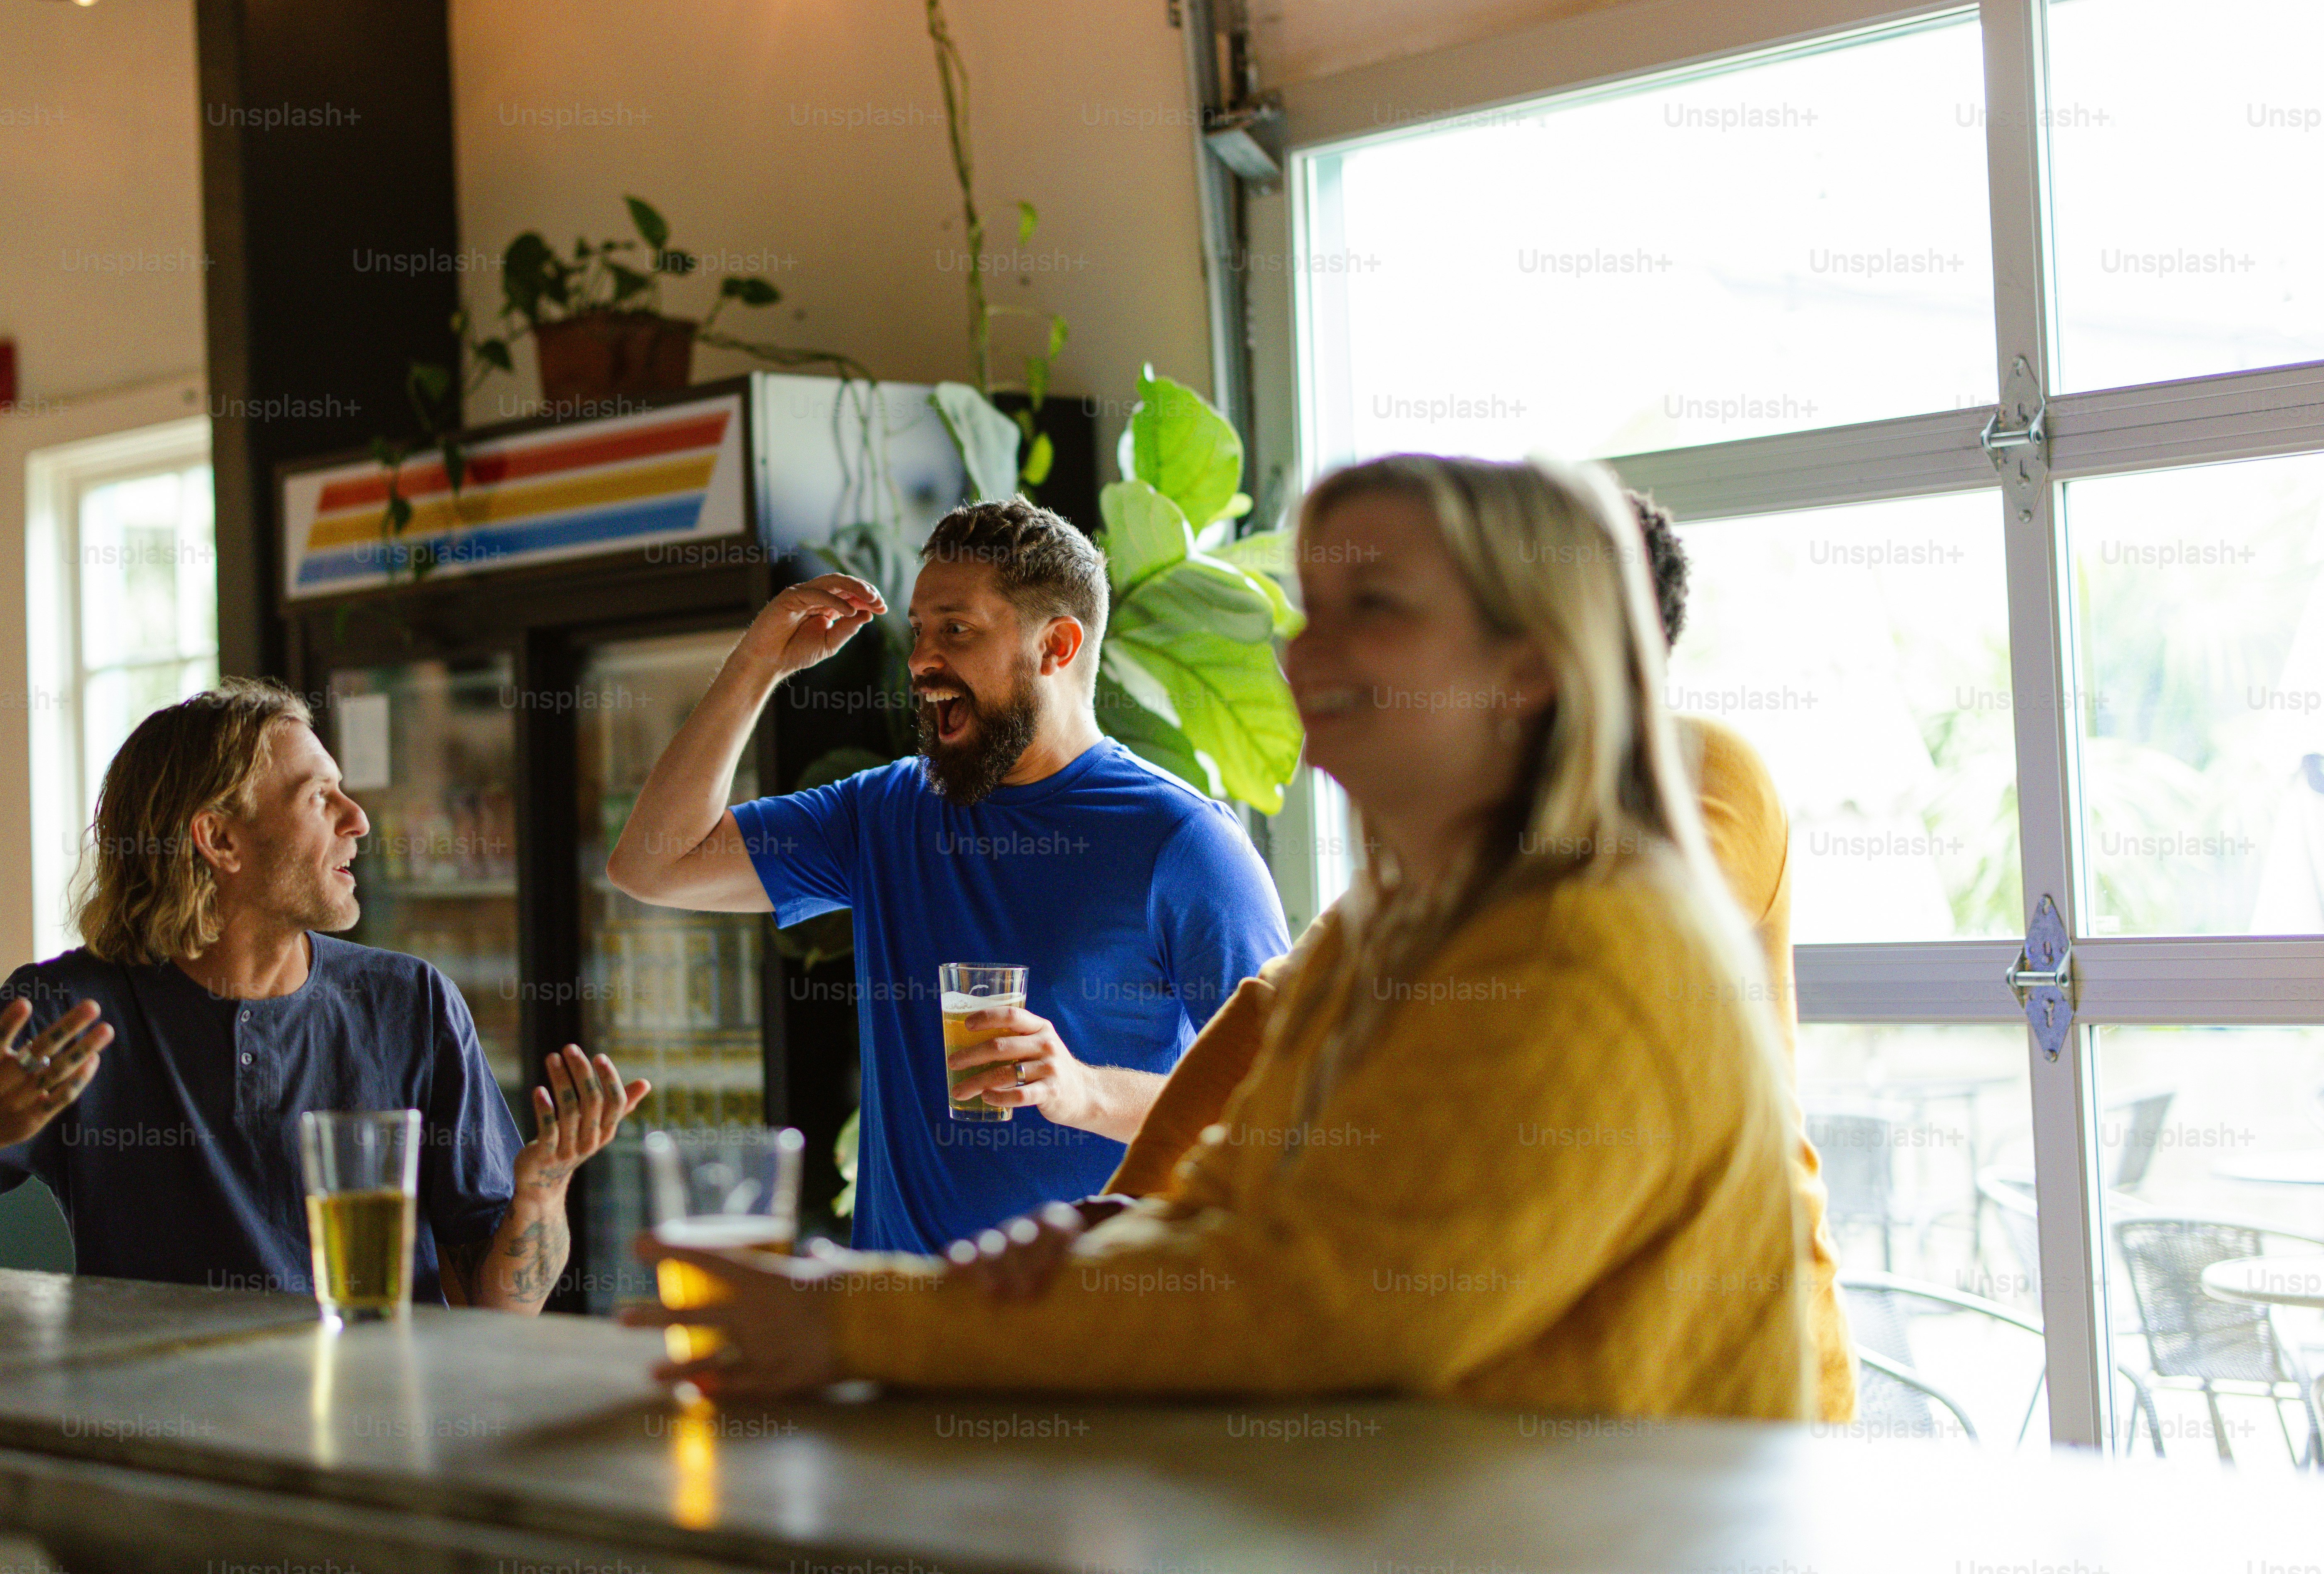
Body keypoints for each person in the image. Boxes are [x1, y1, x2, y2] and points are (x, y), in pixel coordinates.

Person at [624, 456, 1815, 1420]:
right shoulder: (1392, 932)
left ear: (1531, 667)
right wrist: (1099, 1230)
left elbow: (1326, 1304)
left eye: (1378, 609)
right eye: (1314, 610)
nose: (1302, 655)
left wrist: (856, 1315)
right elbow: (1238, 1185)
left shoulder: (1596, 939)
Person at [977, 489, 1853, 1418]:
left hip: (1723, 1396)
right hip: (1553, 1412)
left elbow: (1553, 971)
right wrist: (1129, 1205)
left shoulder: (1694, 777)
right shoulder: (1450, 861)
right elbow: (1275, 1011)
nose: (1305, 655)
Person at [0, 679, 648, 1309]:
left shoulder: (412, 1003)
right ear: (218, 838)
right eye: (320, 797)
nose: (358, 818)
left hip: (383, 1431)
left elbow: (494, 1307)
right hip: (170, 1439)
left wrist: (541, 1191)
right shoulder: (67, 1012)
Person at [604, 497, 1292, 1253]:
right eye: (920, 629)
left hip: (1087, 1334)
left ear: (1057, 646)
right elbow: (653, 862)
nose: (922, 659)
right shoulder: (886, 811)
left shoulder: (1184, 843)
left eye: (957, 630)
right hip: (895, 1329)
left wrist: (1083, 1089)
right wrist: (758, 663)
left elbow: (1283, 1109)